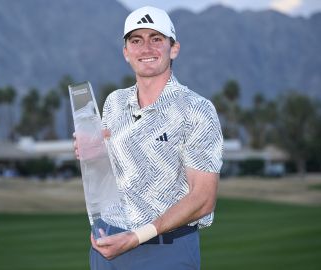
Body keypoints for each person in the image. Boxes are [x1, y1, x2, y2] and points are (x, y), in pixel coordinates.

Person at [75, 6, 223, 270]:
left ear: (173, 48)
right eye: (136, 40)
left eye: (156, 39)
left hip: (165, 251)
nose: (146, 48)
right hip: (108, 245)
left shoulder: (196, 109)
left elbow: (203, 199)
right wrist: (91, 151)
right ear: (126, 52)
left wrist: (136, 237)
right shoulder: (114, 103)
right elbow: (110, 172)